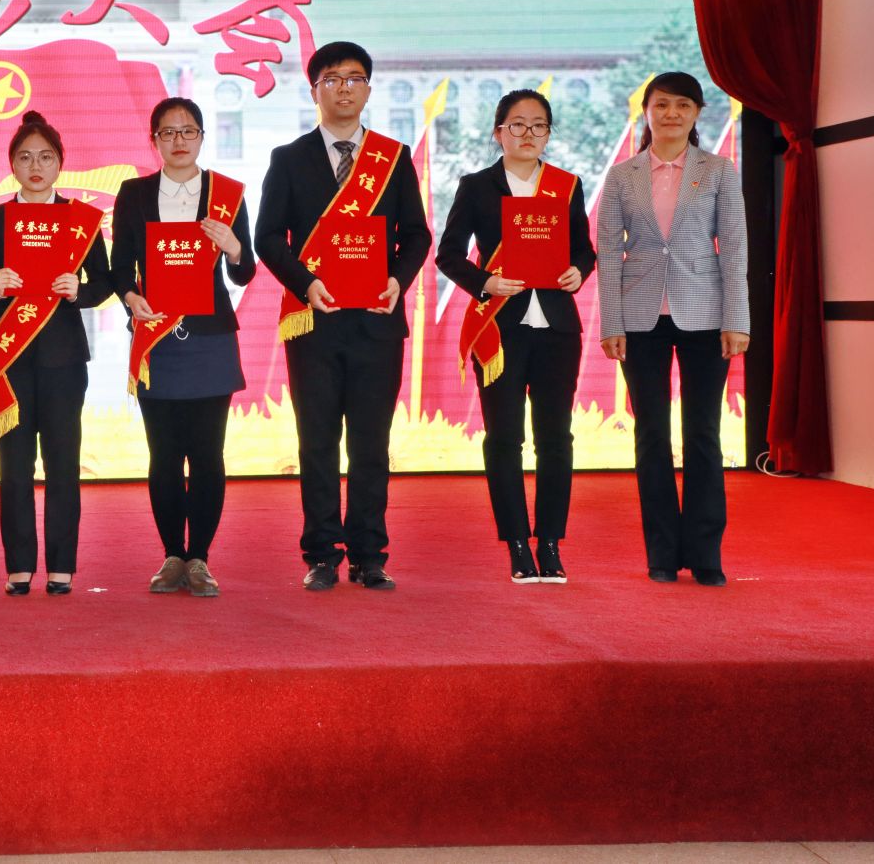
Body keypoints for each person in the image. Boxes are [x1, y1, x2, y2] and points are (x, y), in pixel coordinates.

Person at [255, 41, 432, 592]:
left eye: (355, 78)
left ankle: (369, 553)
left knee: (371, 443)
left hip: (377, 321)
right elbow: (267, 237)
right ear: (315, 91)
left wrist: (397, 280)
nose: (344, 88)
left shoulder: (392, 158)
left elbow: (417, 235)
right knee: (317, 441)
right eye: (331, 79)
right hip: (314, 320)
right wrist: (306, 283)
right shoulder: (289, 158)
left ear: (369, 89)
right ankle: (322, 553)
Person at [436, 90, 596, 583]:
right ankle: (517, 544)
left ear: (548, 133)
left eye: (539, 125)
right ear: (498, 132)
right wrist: (485, 282)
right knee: (505, 438)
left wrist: (578, 271)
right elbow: (448, 254)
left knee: (556, 438)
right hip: (500, 328)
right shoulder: (476, 186)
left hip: (557, 329)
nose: (528, 134)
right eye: (518, 125)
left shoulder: (566, 185)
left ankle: (549, 541)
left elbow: (584, 250)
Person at [597, 72, 749, 586]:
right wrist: (612, 322)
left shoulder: (719, 170)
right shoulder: (623, 175)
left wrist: (737, 319)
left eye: (683, 105)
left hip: (705, 316)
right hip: (640, 318)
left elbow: (734, 247)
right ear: (647, 111)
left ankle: (706, 554)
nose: (671, 114)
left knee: (703, 433)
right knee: (651, 434)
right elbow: (607, 254)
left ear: (697, 113)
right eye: (661, 105)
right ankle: (661, 553)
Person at [111, 97, 254, 597]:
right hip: (157, 340)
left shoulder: (227, 193)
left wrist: (233, 246)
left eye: (188, 131)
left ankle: (201, 559)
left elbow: (244, 272)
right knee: (165, 455)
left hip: (210, 340)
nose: (178, 140)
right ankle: (173, 554)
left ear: (201, 137)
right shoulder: (134, 193)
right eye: (167, 132)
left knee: (208, 454)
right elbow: (119, 266)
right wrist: (130, 297)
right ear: (153, 140)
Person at [0, 110, 111, 596]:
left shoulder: (81, 219)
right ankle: (19, 565)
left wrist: (79, 290)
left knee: (62, 464)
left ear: (60, 164)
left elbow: (104, 282)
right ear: (11, 164)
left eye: (46, 157)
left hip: (63, 359)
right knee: (14, 467)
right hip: (9, 360)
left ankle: (61, 566)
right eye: (26, 157)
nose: (36, 166)